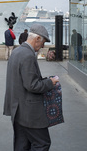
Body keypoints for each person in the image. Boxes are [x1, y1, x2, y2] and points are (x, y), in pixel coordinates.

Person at [3, 23, 60, 151]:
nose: (43, 46)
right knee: (42, 143)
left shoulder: (17, 52)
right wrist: (51, 82)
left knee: (22, 145)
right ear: (37, 38)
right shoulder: (28, 55)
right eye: (43, 42)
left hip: (17, 109)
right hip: (29, 112)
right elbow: (32, 85)